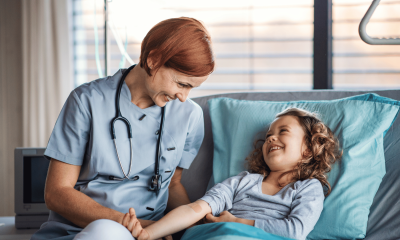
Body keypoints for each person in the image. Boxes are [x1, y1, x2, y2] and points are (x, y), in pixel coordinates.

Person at [31, 17, 214, 240]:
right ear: (153, 59)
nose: (183, 97)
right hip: (86, 230)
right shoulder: (86, 101)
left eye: (192, 88)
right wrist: (129, 224)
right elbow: (56, 193)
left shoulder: (190, 116)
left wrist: (194, 223)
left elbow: (173, 184)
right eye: (181, 84)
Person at [129, 108, 342, 240]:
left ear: (308, 149)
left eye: (282, 131)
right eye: (268, 135)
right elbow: (196, 208)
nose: (271, 138)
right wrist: (149, 233)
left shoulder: (308, 188)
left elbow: (295, 231)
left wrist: (237, 222)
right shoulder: (242, 181)